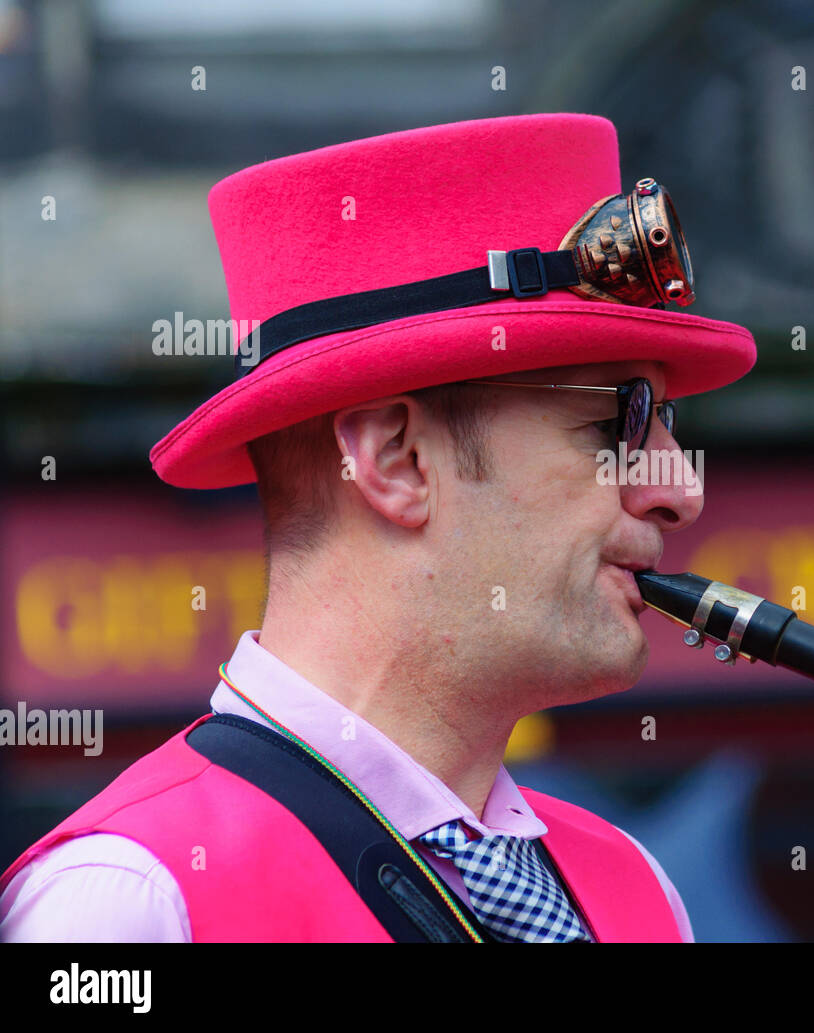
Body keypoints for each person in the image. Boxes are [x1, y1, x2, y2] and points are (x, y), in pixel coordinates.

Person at [0, 113, 755, 942]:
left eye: (669, 419)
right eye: (621, 419)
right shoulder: (129, 903)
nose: (681, 488)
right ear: (396, 459)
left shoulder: (638, 890)